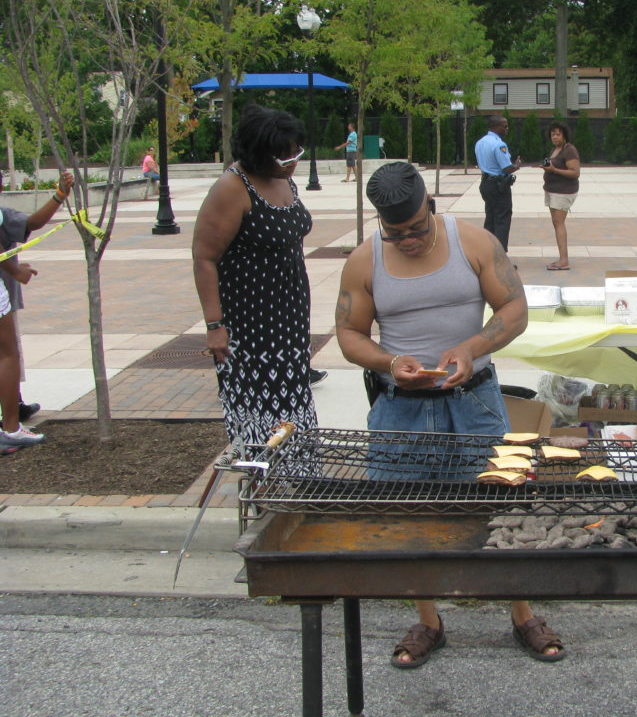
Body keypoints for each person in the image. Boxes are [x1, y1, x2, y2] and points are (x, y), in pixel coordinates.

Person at [336, 161, 566, 668]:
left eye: (417, 228)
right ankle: (428, 619)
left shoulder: (475, 243)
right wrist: (390, 362)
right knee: (407, 514)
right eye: (395, 233)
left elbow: (515, 309)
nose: (409, 239)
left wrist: (470, 347)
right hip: (400, 408)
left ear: (431, 209)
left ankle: (523, 613)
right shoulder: (363, 260)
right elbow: (349, 333)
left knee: (499, 505)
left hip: (475, 401)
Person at [192, 104, 317, 459]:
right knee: (260, 413)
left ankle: (295, 483)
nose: (292, 160)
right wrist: (215, 325)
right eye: (283, 156)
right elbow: (204, 258)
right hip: (250, 325)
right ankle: (263, 488)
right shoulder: (233, 188)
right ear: (258, 154)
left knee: (293, 403)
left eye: (296, 151)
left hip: (288, 318)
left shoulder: (283, 177)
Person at [0, 170, 76, 428]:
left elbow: (31, 223)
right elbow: (33, 222)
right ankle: (10, 424)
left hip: (6, 296)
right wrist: (15, 270)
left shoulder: (7, 216)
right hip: (3, 298)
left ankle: (14, 405)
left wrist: (58, 196)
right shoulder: (3, 217)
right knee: (8, 354)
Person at [474, 115, 520, 251]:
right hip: (498, 185)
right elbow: (506, 167)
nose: (507, 129)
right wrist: (516, 165)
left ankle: (487, 253)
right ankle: (500, 257)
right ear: (495, 127)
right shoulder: (499, 144)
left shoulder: (480, 142)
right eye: (504, 126)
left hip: (486, 184)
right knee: (502, 220)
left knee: (490, 219)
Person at [540, 121, 581, 271]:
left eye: (558, 134)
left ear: (564, 135)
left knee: (559, 223)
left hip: (563, 191)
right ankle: (562, 259)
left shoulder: (569, 150)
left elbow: (575, 172)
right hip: (553, 190)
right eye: (552, 134)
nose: (555, 137)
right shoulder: (556, 149)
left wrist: (554, 169)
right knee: (557, 223)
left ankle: (564, 261)